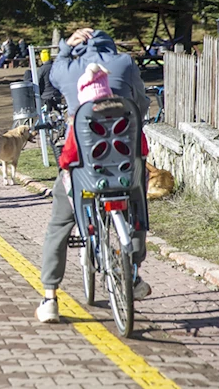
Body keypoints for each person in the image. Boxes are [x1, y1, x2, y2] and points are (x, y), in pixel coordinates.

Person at [36, 28, 151, 324]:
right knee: (137, 206)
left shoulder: (69, 68)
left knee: (59, 223)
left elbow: (52, 74)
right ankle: (133, 273)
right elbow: (142, 102)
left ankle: (49, 297)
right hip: (126, 170)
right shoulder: (125, 62)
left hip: (85, 174)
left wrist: (65, 47)